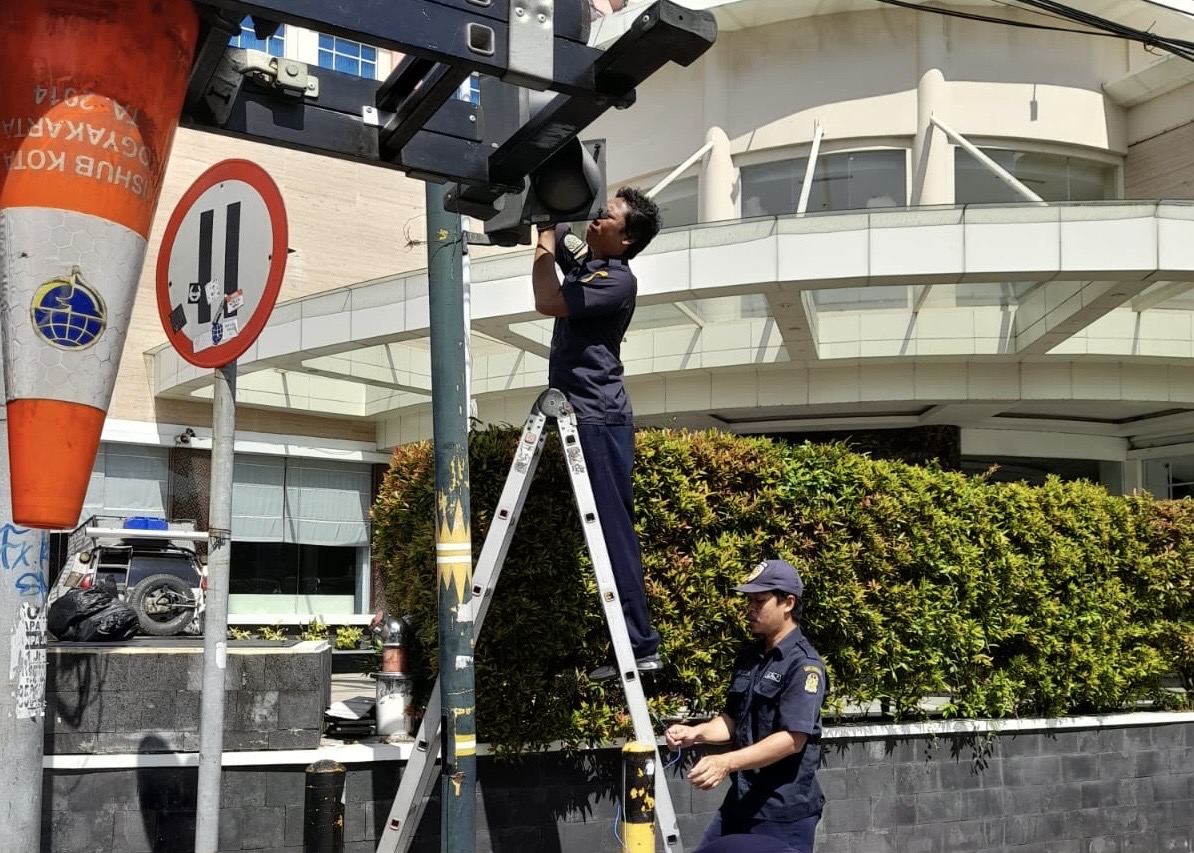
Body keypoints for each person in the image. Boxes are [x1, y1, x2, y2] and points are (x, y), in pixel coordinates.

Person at [531, 187, 663, 681]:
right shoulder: (591, 258)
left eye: (606, 217)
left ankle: (640, 644)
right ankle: (631, 641)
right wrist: (549, 206)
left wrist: (544, 245)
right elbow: (561, 227)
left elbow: (549, 300)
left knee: (614, 531)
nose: (595, 220)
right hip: (580, 412)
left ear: (626, 238)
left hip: (599, 416)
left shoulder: (617, 282)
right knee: (603, 531)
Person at [664, 559, 828, 852]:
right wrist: (696, 733)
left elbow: (793, 739)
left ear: (788, 603)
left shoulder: (804, 665)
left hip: (782, 812)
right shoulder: (750, 657)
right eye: (748, 600)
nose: (750, 608)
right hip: (741, 802)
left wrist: (726, 762)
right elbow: (732, 719)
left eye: (759, 601)